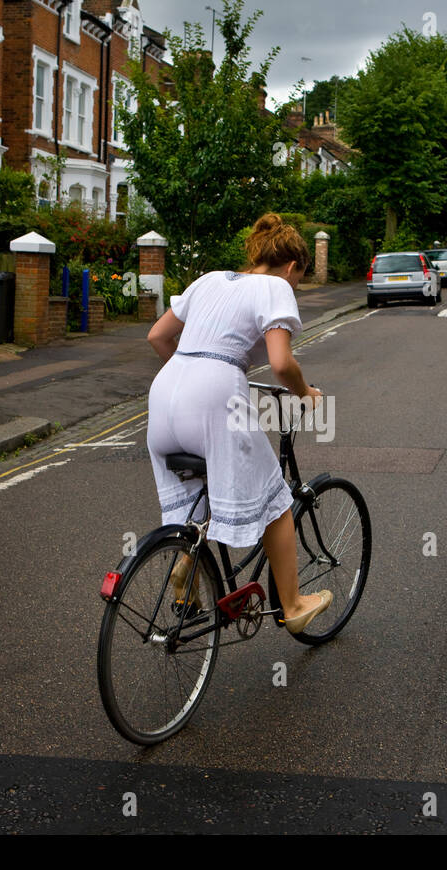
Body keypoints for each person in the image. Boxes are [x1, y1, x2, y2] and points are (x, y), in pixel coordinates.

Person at [144, 214, 333, 634]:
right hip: (216, 395)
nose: (295, 286)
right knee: (277, 501)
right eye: (299, 278)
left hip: (164, 396)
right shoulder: (276, 287)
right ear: (291, 267)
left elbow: (158, 336)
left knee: (205, 490)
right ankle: (295, 605)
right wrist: (306, 394)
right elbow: (282, 364)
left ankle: (187, 564)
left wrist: (190, 377)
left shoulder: (210, 279)